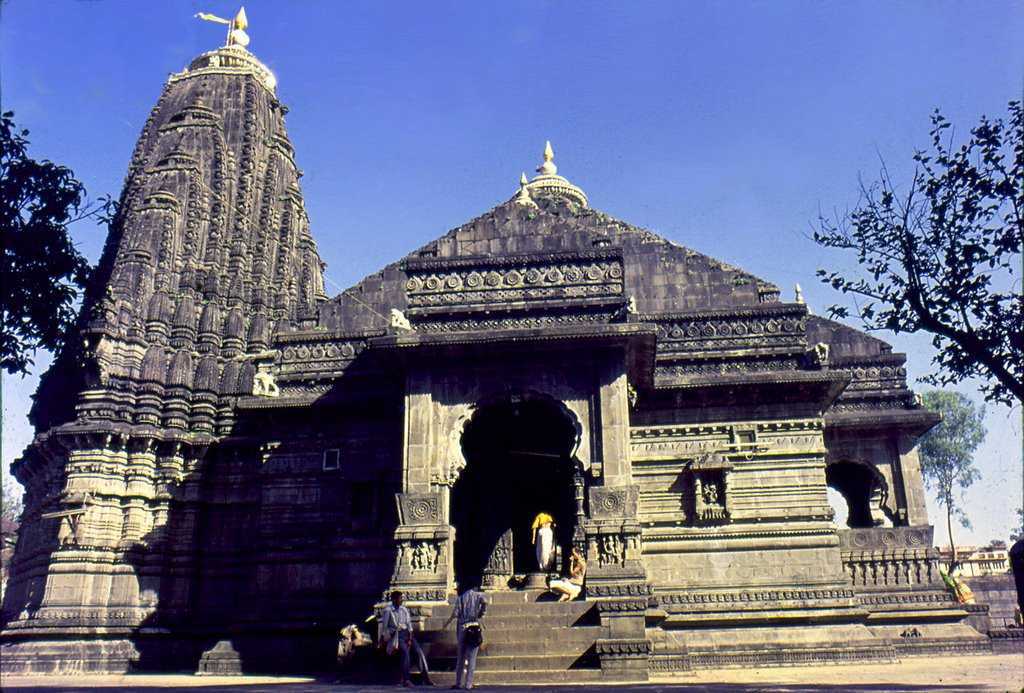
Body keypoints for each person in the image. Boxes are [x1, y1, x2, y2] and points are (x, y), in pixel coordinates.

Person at [380, 590, 433, 687]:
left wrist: (410, 638)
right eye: (400, 598)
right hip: (396, 635)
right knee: (405, 652)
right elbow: (385, 627)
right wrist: (383, 640)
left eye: (402, 598)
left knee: (418, 652)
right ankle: (406, 680)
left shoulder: (404, 609)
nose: (401, 600)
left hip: (407, 634)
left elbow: (409, 626)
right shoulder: (388, 611)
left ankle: (426, 678)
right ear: (394, 599)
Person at [443, 584, 487, 690]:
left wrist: (447, 623)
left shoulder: (460, 598)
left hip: (462, 627)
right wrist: (481, 613)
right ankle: (468, 684)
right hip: (474, 626)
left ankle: (458, 683)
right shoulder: (478, 596)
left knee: (461, 656)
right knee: (472, 658)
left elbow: (455, 613)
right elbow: (485, 602)